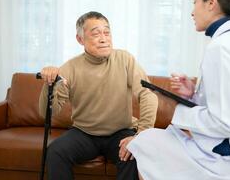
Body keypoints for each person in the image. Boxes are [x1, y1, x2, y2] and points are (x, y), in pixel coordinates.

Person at [127, 0, 230, 179]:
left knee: (144, 142)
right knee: (149, 140)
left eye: (194, 1)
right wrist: (194, 94)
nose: (192, 12)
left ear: (211, 1)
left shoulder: (222, 47)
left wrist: (175, 111)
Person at [38, 11, 158, 180]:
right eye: (96, 33)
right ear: (80, 39)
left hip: (120, 131)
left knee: (133, 155)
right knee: (55, 152)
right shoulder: (70, 68)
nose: (104, 38)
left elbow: (148, 95)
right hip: (84, 133)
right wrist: (48, 84)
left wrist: (140, 135)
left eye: (107, 32)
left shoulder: (125, 59)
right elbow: (47, 114)